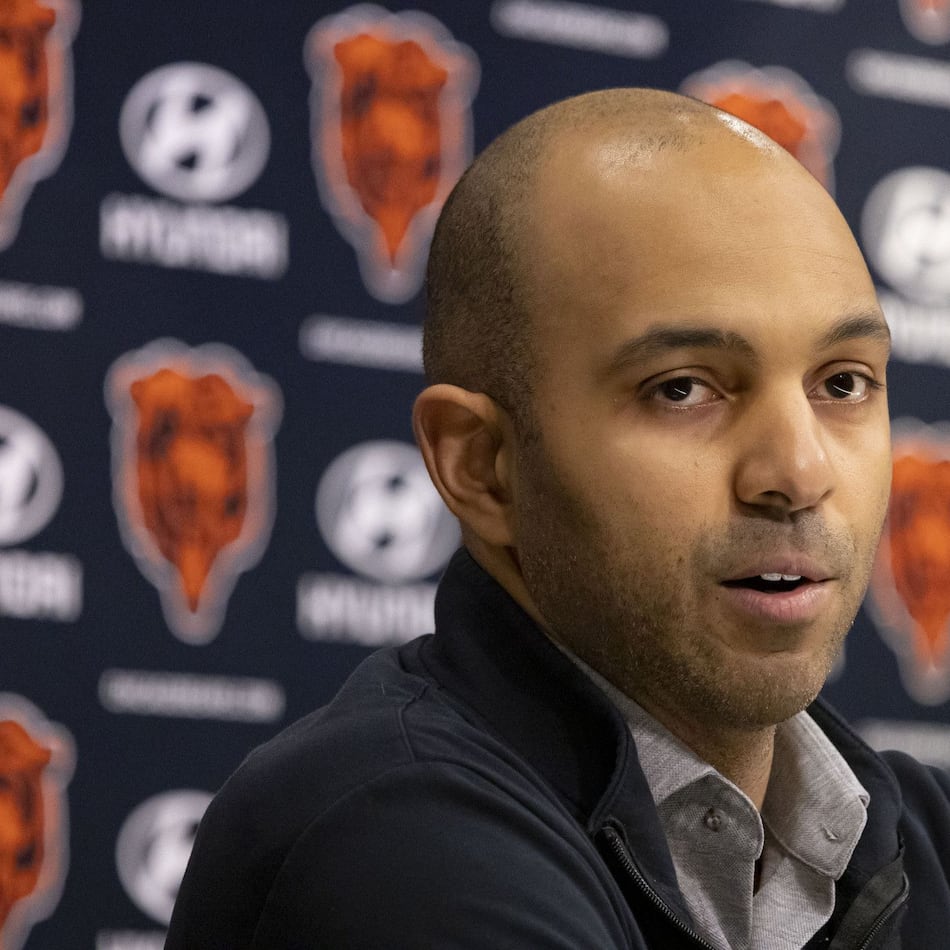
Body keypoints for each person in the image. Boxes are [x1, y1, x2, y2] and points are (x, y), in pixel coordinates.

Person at [165, 88, 950, 949]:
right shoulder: (389, 840)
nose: (798, 473)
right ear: (480, 466)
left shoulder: (919, 837)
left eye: (842, 383)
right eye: (682, 389)